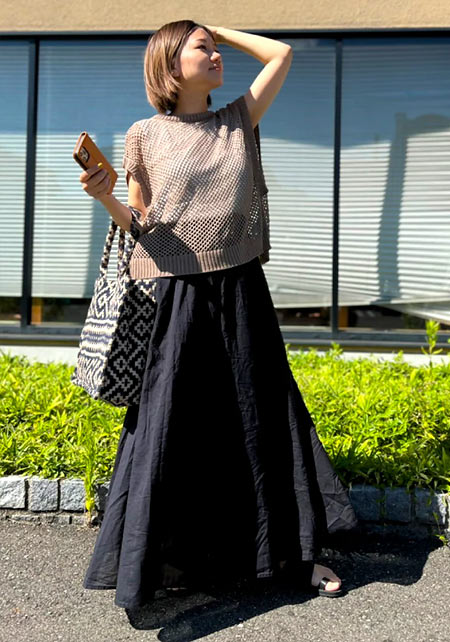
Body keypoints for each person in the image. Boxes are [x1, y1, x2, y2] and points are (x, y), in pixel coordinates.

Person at [78, 20, 358, 611]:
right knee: (171, 425)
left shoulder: (238, 118)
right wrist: (104, 195)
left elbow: (280, 54)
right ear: (168, 64)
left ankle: (297, 555)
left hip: (241, 287)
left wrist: (219, 31)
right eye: (201, 48)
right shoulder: (144, 135)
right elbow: (140, 224)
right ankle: (154, 566)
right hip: (176, 293)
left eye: (215, 48)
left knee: (263, 415)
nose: (215, 56)